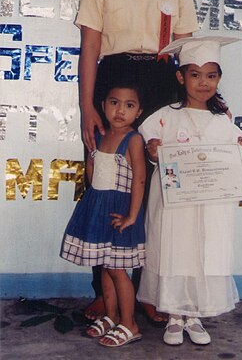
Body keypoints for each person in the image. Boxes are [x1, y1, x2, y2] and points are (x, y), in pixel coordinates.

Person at [75, 0, 199, 322]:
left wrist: (194, 108)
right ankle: (105, 289)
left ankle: (147, 290)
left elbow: (186, 51)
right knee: (107, 185)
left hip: (161, 84)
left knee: (155, 191)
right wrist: (88, 107)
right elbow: (90, 48)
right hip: (112, 82)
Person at [137, 35, 242, 346]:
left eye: (211, 75)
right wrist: (153, 151)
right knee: (175, 252)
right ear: (181, 77)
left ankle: (195, 316)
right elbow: (149, 152)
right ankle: (175, 316)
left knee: (203, 253)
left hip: (211, 207)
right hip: (174, 205)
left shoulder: (223, 123)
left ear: (219, 78)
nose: (203, 82)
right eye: (195, 74)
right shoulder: (166, 116)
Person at [61, 79, 146, 348]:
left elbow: (140, 180)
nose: (120, 111)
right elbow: (91, 168)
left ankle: (130, 323)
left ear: (139, 112)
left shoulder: (133, 140)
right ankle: (111, 316)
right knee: (105, 267)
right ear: (103, 106)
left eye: (129, 105)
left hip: (121, 213)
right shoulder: (98, 136)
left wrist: (132, 216)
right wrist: (93, 205)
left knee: (118, 269)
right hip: (99, 210)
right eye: (114, 103)